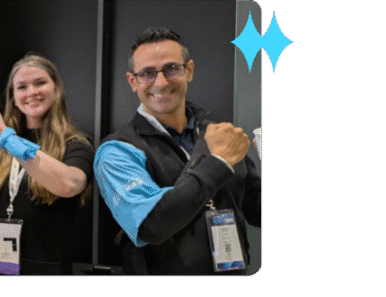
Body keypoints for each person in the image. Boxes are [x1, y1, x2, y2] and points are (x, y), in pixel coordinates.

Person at [94, 27, 262, 275]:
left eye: (172, 69)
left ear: (189, 70)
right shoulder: (117, 151)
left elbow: (258, 209)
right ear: (133, 81)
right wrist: (217, 163)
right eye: (148, 73)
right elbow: (152, 225)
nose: (161, 83)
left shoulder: (220, 135)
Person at [0, 53, 95, 275]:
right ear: (13, 96)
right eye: (22, 87)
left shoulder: (77, 145)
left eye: (40, 83)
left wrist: (7, 138)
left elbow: (70, 184)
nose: (31, 92)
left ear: (56, 89)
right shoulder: (4, 145)